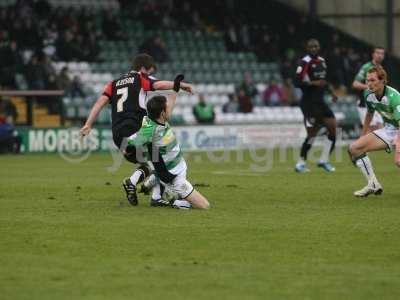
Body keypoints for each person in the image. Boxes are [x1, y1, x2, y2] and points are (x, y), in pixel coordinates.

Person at [79, 54, 193, 206]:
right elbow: (158, 85)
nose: (150, 76)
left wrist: (88, 124)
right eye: (150, 72)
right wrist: (181, 85)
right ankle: (139, 186)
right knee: (160, 160)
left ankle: (152, 193)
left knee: (152, 160)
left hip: (118, 134)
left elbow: (100, 102)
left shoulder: (113, 84)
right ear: (143, 69)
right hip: (134, 129)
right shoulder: (140, 78)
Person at [127, 92, 210, 209]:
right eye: (167, 108)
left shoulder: (159, 119)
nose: (169, 109)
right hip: (174, 177)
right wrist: (128, 149)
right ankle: (171, 198)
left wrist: (176, 89)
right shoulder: (151, 130)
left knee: (158, 171)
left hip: (180, 167)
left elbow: (170, 103)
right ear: (162, 113)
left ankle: (154, 182)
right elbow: (133, 142)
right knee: (204, 206)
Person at [348, 66, 400, 197]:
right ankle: (373, 184)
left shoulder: (394, 97)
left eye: (373, 80)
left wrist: (398, 148)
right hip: (389, 129)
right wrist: (363, 134)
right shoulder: (368, 94)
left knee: (399, 161)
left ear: (383, 81)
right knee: (355, 148)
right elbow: (369, 114)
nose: (369, 84)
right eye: (367, 80)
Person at [294, 38, 338, 173]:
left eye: (316, 46)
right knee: (312, 134)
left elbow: (324, 81)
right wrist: (313, 83)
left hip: (320, 102)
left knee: (333, 129)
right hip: (308, 104)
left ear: (319, 48)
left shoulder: (322, 61)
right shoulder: (304, 62)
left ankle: (324, 160)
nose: (314, 48)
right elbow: (296, 82)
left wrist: (332, 92)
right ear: (307, 48)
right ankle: (300, 163)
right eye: (311, 47)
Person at [352, 47, 385, 130]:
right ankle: (359, 142)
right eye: (378, 53)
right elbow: (355, 84)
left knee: (380, 130)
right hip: (365, 104)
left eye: (382, 53)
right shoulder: (366, 67)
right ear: (373, 54)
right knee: (371, 131)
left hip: (376, 104)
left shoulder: (381, 69)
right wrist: (370, 86)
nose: (380, 55)